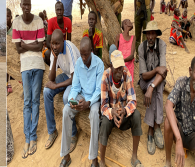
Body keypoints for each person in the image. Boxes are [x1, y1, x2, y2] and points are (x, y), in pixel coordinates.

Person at [59, 37, 104, 167]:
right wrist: (72, 100)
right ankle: (66, 155)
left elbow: (99, 90)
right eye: (81, 54)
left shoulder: (99, 64)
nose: (83, 58)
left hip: (94, 99)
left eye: (85, 54)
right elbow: (75, 87)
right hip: (82, 95)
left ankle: (94, 158)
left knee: (95, 113)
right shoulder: (79, 63)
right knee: (66, 110)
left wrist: (88, 103)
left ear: (91, 50)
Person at [13, 0, 45, 159]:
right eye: (24, 4)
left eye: (29, 4)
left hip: (38, 65)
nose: (26, 7)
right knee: (27, 102)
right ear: (20, 5)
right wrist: (32, 44)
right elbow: (18, 48)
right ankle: (27, 138)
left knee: (35, 101)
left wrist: (26, 44)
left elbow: (41, 47)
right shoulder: (16, 22)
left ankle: (33, 137)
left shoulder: (39, 21)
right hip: (25, 66)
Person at [98, 50, 143, 167]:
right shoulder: (105, 76)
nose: (119, 71)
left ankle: (134, 157)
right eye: (116, 68)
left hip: (123, 113)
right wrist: (112, 112)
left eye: (121, 67)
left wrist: (125, 111)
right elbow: (103, 106)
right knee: (104, 123)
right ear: (111, 66)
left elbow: (132, 100)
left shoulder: (126, 73)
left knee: (137, 115)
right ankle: (102, 161)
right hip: (111, 114)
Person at [43, 29, 80, 150]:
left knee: (66, 98)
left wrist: (56, 86)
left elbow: (74, 79)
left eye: (57, 43)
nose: (54, 46)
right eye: (52, 43)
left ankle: (73, 133)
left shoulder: (69, 49)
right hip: (66, 75)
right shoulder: (55, 51)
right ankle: (52, 131)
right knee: (46, 91)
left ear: (63, 41)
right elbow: (51, 77)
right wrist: (54, 60)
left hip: (77, 78)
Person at [164, 55, 195, 167]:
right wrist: (178, 140)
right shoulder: (182, 82)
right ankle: (168, 162)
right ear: (190, 71)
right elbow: (168, 104)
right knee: (168, 121)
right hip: (179, 132)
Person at [137, 20, 167, 155]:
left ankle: (152, 127)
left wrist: (152, 87)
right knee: (154, 85)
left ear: (156, 35)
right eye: (148, 34)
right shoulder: (141, 47)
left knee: (157, 88)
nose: (149, 37)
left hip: (156, 82)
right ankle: (155, 126)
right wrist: (155, 71)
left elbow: (164, 71)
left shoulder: (162, 45)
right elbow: (143, 76)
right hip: (145, 80)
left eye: (152, 34)